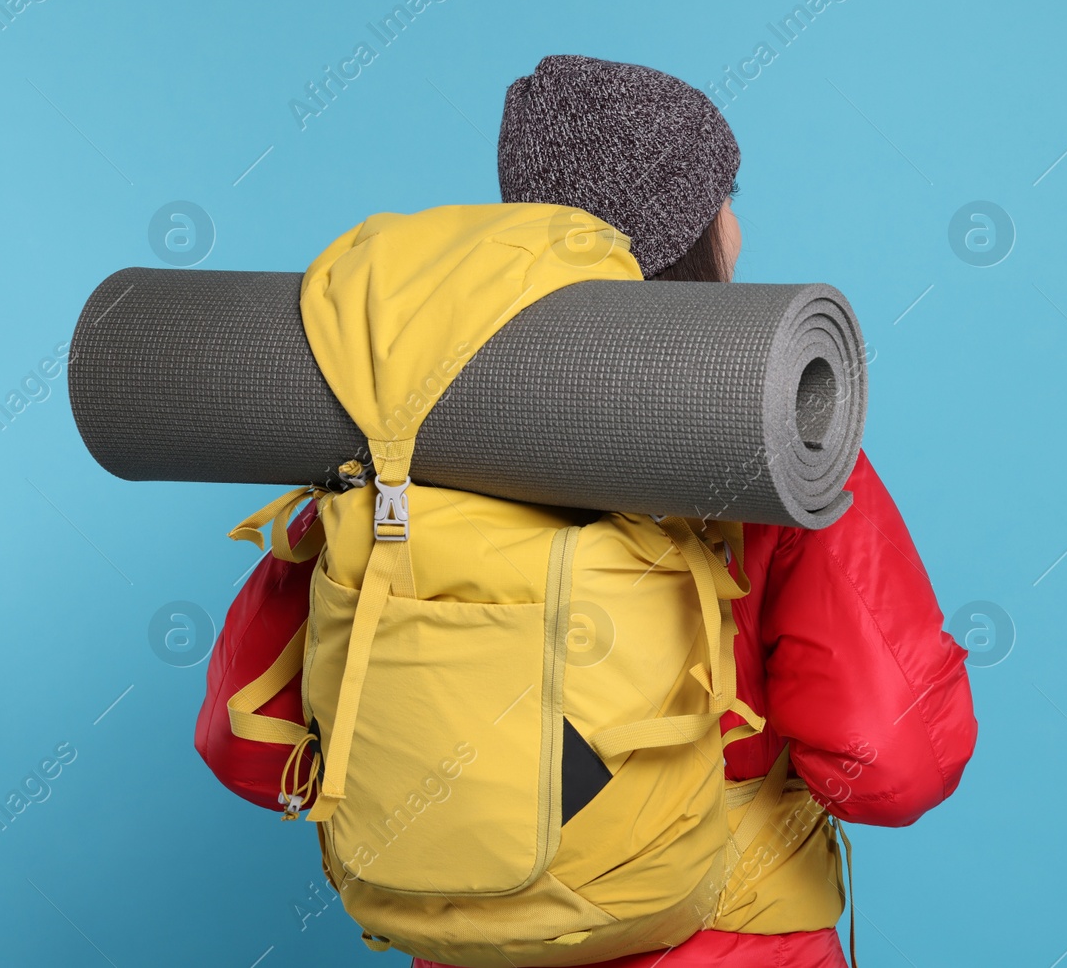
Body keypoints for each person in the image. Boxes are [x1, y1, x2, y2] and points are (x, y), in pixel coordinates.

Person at [199, 55, 977, 968]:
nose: (739, 223)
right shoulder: (767, 443)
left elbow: (245, 746)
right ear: (690, 229)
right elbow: (893, 766)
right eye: (726, 195)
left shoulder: (391, 441)